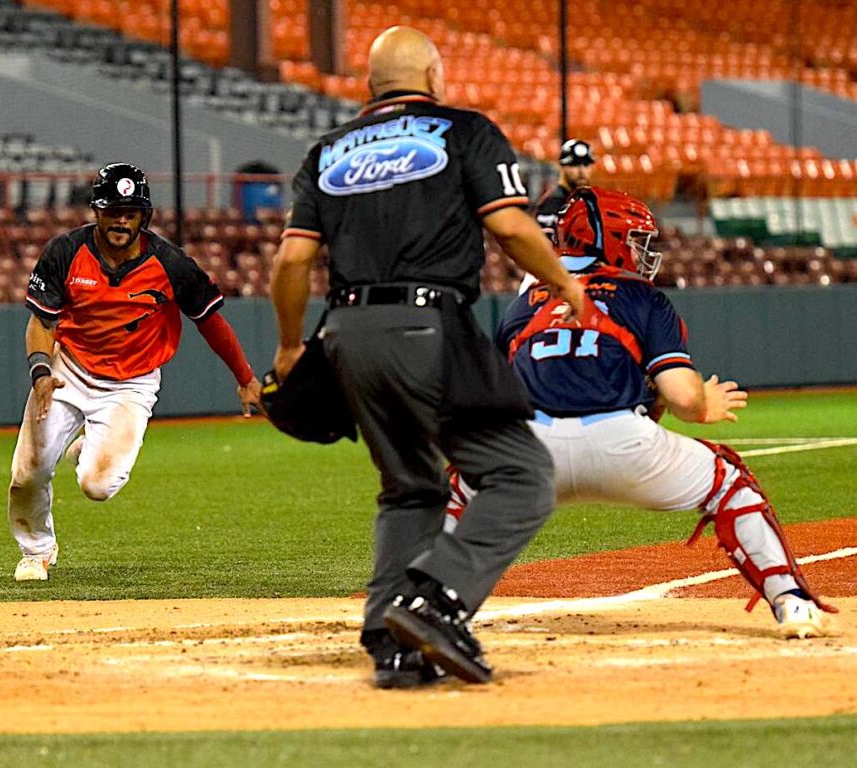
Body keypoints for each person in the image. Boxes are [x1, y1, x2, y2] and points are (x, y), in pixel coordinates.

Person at [269, 25, 586, 688]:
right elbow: (508, 225)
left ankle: (393, 642)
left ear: (370, 86)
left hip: (346, 334)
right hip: (428, 326)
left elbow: (293, 260)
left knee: (410, 488)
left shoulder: (328, 151)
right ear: (434, 77)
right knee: (522, 476)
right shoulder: (464, 130)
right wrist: (561, 280)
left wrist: (291, 345)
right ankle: (437, 601)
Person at [445, 186, 836, 639]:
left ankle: (432, 607)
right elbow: (683, 397)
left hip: (531, 455)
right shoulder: (641, 295)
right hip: (621, 443)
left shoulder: (522, 304)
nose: (642, 252)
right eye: (633, 240)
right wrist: (700, 405)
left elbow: (494, 401)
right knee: (731, 484)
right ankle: (793, 603)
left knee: (457, 488)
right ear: (607, 240)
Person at [9, 162, 263, 581]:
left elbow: (211, 321)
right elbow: (41, 323)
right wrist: (40, 374)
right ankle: (36, 550)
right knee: (27, 472)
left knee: (98, 486)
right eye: (112, 210)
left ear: (144, 216)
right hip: (68, 368)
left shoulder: (170, 263)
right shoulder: (66, 252)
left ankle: (89, 444)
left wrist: (245, 378)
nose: (120, 220)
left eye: (130, 211)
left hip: (131, 383)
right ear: (97, 212)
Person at [533, 138, 595, 244]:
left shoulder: (590, 201)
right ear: (562, 166)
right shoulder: (551, 203)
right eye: (574, 164)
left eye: (586, 165)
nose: (581, 171)